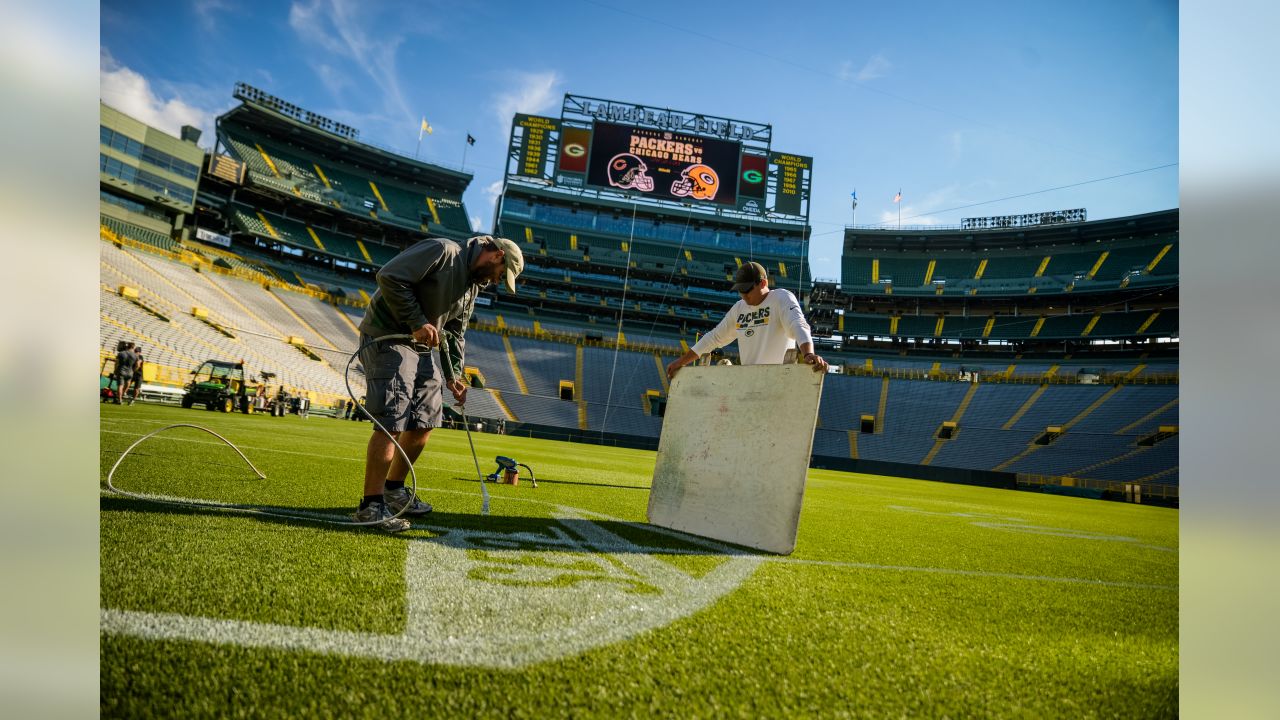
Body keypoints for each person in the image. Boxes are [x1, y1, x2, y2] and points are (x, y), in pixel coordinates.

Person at [353, 234, 523, 532]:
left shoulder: (473, 287)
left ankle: (394, 489)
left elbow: (455, 333)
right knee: (392, 421)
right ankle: (371, 506)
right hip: (388, 336)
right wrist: (417, 322)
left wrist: (453, 376)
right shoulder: (443, 251)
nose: (497, 281)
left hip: (420, 347)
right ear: (497, 256)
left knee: (427, 419)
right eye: (501, 275)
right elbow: (389, 276)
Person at [666, 261, 828, 380]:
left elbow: (797, 324)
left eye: (747, 290)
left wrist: (808, 353)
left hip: (780, 380)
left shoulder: (781, 298)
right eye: (740, 291)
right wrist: (681, 361)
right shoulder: (739, 308)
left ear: (763, 283)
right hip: (749, 381)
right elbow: (714, 337)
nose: (743, 295)